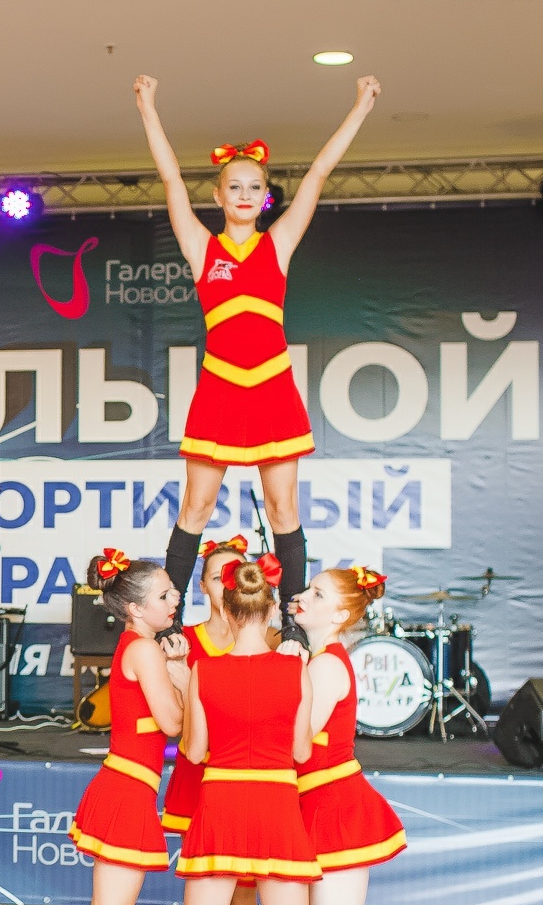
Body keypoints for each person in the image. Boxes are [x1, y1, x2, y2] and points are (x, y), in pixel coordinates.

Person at [133, 72, 382, 640]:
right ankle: (171, 622)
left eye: (254, 187)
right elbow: (170, 178)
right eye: (234, 187)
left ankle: (292, 628)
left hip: (272, 386)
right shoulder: (203, 248)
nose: (244, 195)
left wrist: (361, 107)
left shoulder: (279, 244)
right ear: (218, 196)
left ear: (265, 196)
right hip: (220, 387)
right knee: (195, 508)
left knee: (283, 509)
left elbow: (318, 173)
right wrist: (148, 106)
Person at [141, 556, 337, 905]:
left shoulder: (208, 671)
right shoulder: (295, 670)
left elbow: (194, 752)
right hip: (277, 806)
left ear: (225, 610)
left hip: (220, 806)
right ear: (272, 609)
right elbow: (301, 752)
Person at [61, 549, 187, 905]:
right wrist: (181, 671)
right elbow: (175, 724)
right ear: (135, 609)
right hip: (127, 792)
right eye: (164, 594)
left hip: (124, 785)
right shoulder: (146, 650)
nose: (175, 599)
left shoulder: (133, 644)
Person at [293, 566, 406, 905]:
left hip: (334, 805)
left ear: (340, 613)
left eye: (316, 594)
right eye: (307, 589)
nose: (302, 596)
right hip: (317, 801)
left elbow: (296, 744)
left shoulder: (325, 665)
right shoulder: (319, 660)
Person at [159, 535, 267, 905]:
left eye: (234, 574)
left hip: (248, 782)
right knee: (203, 899)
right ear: (202, 585)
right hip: (198, 782)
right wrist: (182, 680)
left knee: (245, 896)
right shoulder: (183, 644)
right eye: (217, 576)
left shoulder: (268, 642)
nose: (227, 584)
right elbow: (179, 727)